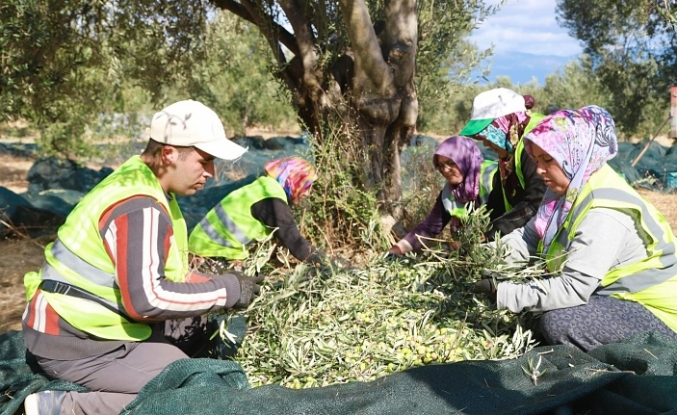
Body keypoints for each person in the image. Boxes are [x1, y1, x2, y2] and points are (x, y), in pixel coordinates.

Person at [21, 100, 265, 415]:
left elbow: (168, 275)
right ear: (169, 154)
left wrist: (220, 285)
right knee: (193, 390)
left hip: (92, 331)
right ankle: (57, 408)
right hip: (73, 342)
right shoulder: (140, 205)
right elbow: (147, 300)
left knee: (189, 371)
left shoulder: (148, 184)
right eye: (205, 161)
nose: (211, 173)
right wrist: (227, 291)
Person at [474, 105, 677, 352]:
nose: (539, 170)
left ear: (575, 154)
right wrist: (482, 258)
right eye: (537, 160)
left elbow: (573, 287)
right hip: (614, 295)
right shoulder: (566, 188)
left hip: (658, 313)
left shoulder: (604, 211)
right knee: (541, 310)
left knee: (559, 322)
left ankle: (627, 367)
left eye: (548, 160)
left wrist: (502, 294)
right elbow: (530, 237)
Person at [189, 156, 333, 269]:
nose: (308, 193)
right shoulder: (272, 200)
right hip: (210, 258)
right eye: (306, 187)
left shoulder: (263, 187)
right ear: (293, 181)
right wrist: (332, 264)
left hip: (200, 250)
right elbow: (295, 243)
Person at [459, 88, 548, 240]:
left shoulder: (536, 143)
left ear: (507, 124)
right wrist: (475, 231)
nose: (485, 143)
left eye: (488, 134)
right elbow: (498, 202)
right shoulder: (510, 155)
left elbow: (536, 203)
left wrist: (489, 235)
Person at [388, 136, 497, 255]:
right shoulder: (451, 191)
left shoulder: (492, 177)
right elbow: (428, 228)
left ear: (466, 159)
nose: (445, 170)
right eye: (441, 165)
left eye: (451, 163)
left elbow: (505, 223)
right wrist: (396, 250)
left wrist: (456, 246)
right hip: (471, 252)